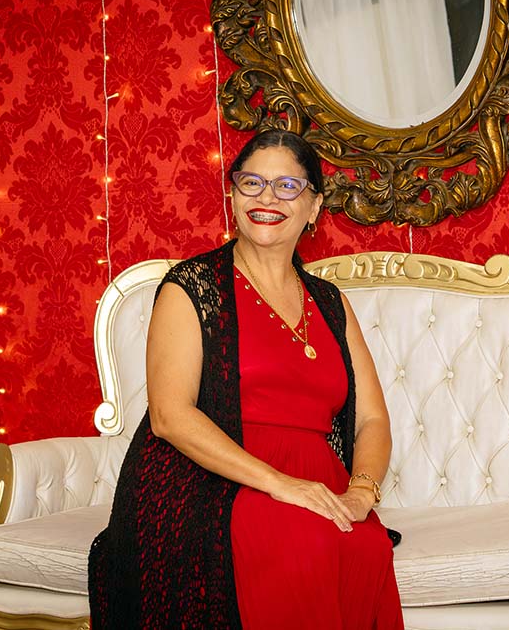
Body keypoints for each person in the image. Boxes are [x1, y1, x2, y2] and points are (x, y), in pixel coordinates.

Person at [88, 129, 405, 629]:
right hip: (215, 484)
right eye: (251, 182)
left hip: (319, 484)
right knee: (306, 543)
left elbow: (371, 419)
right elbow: (170, 416)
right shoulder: (192, 288)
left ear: (314, 207)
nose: (266, 198)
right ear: (233, 195)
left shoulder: (331, 303)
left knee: (367, 546)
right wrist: (281, 485)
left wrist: (362, 492)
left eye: (287, 186)